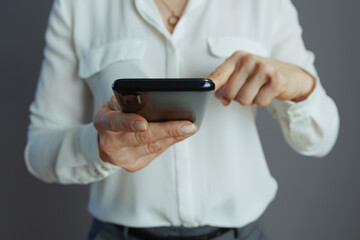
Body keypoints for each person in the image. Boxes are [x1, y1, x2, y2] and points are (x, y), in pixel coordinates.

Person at [25, 0, 339, 239]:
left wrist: (300, 85)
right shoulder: (78, 6)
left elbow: (321, 138)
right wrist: (99, 148)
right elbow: (39, 149)